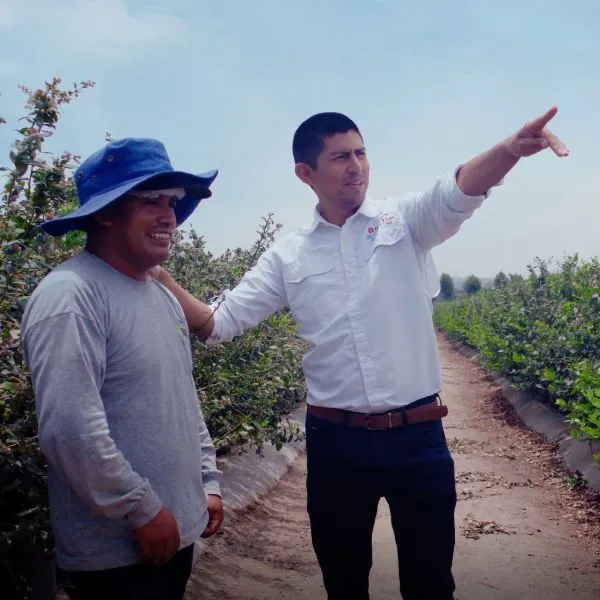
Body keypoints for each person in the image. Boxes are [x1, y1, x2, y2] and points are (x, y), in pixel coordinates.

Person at [152, 108, 568, 600]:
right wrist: (156, 273)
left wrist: (509, 150)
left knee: (431, 582)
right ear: (306, 173)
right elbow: (218, 323)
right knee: (343, 582)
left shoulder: (405, 222)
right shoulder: (288, 256)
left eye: (361, 153)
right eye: (340, 157)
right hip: (336, 444)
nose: (357, 166)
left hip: (417, 437)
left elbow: (457, 190)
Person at [21, 138, 224, 600]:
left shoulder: (161, 298)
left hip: (173, 534)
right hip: (117, 555)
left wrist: (207, 482)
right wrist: (141, 509)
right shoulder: (71, 297)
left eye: (172, 201)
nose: (169, 216)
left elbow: (182, 400)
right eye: (150, 200)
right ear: (106, 214)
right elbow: (71, 429)